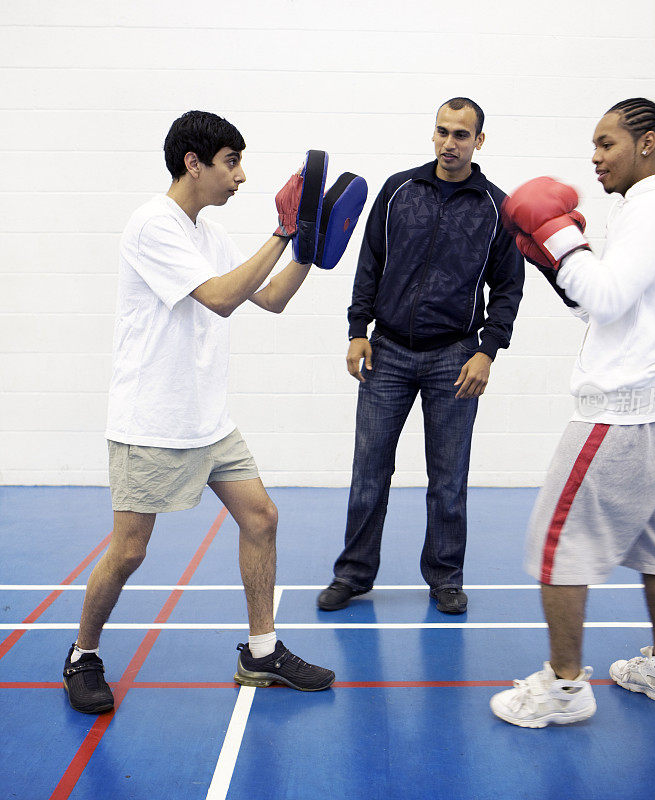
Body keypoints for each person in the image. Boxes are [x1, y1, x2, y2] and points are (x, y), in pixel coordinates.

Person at [63, 110, 335, 715]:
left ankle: (261, 653)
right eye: (231, 162)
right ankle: (83, 655)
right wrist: (285, 232)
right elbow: (216, 297)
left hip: (208, 419)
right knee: (130, 550)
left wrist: (309, 252)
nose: (240, 177)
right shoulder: (151, 225)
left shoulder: (207, 231)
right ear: (195, 163)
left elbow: (266, 299)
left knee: (261, 518)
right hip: (152, 420)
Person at [490, 97, 655, 727]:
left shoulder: (652, 208)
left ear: (646, 144)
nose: (595, 156)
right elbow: (607, 307)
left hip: (620, 413)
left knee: (553, 543)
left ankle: (562, 688)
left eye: (606, 143)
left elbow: (605, 300)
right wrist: (559, 265)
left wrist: (558, 237)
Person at [317, 98, 524, 615]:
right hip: (386, 351)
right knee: (369, 472)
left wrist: (487, 351)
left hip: (455, 358)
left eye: (461, 134)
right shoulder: (397, 190)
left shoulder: (497, 207)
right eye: (442, 131)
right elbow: (370, 262)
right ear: (432, 135)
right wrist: (356, 329)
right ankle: (354, 574)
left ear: (479, 141)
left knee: (448, 479)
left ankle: (445, 577)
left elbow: (508, 288)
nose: (449, 142)